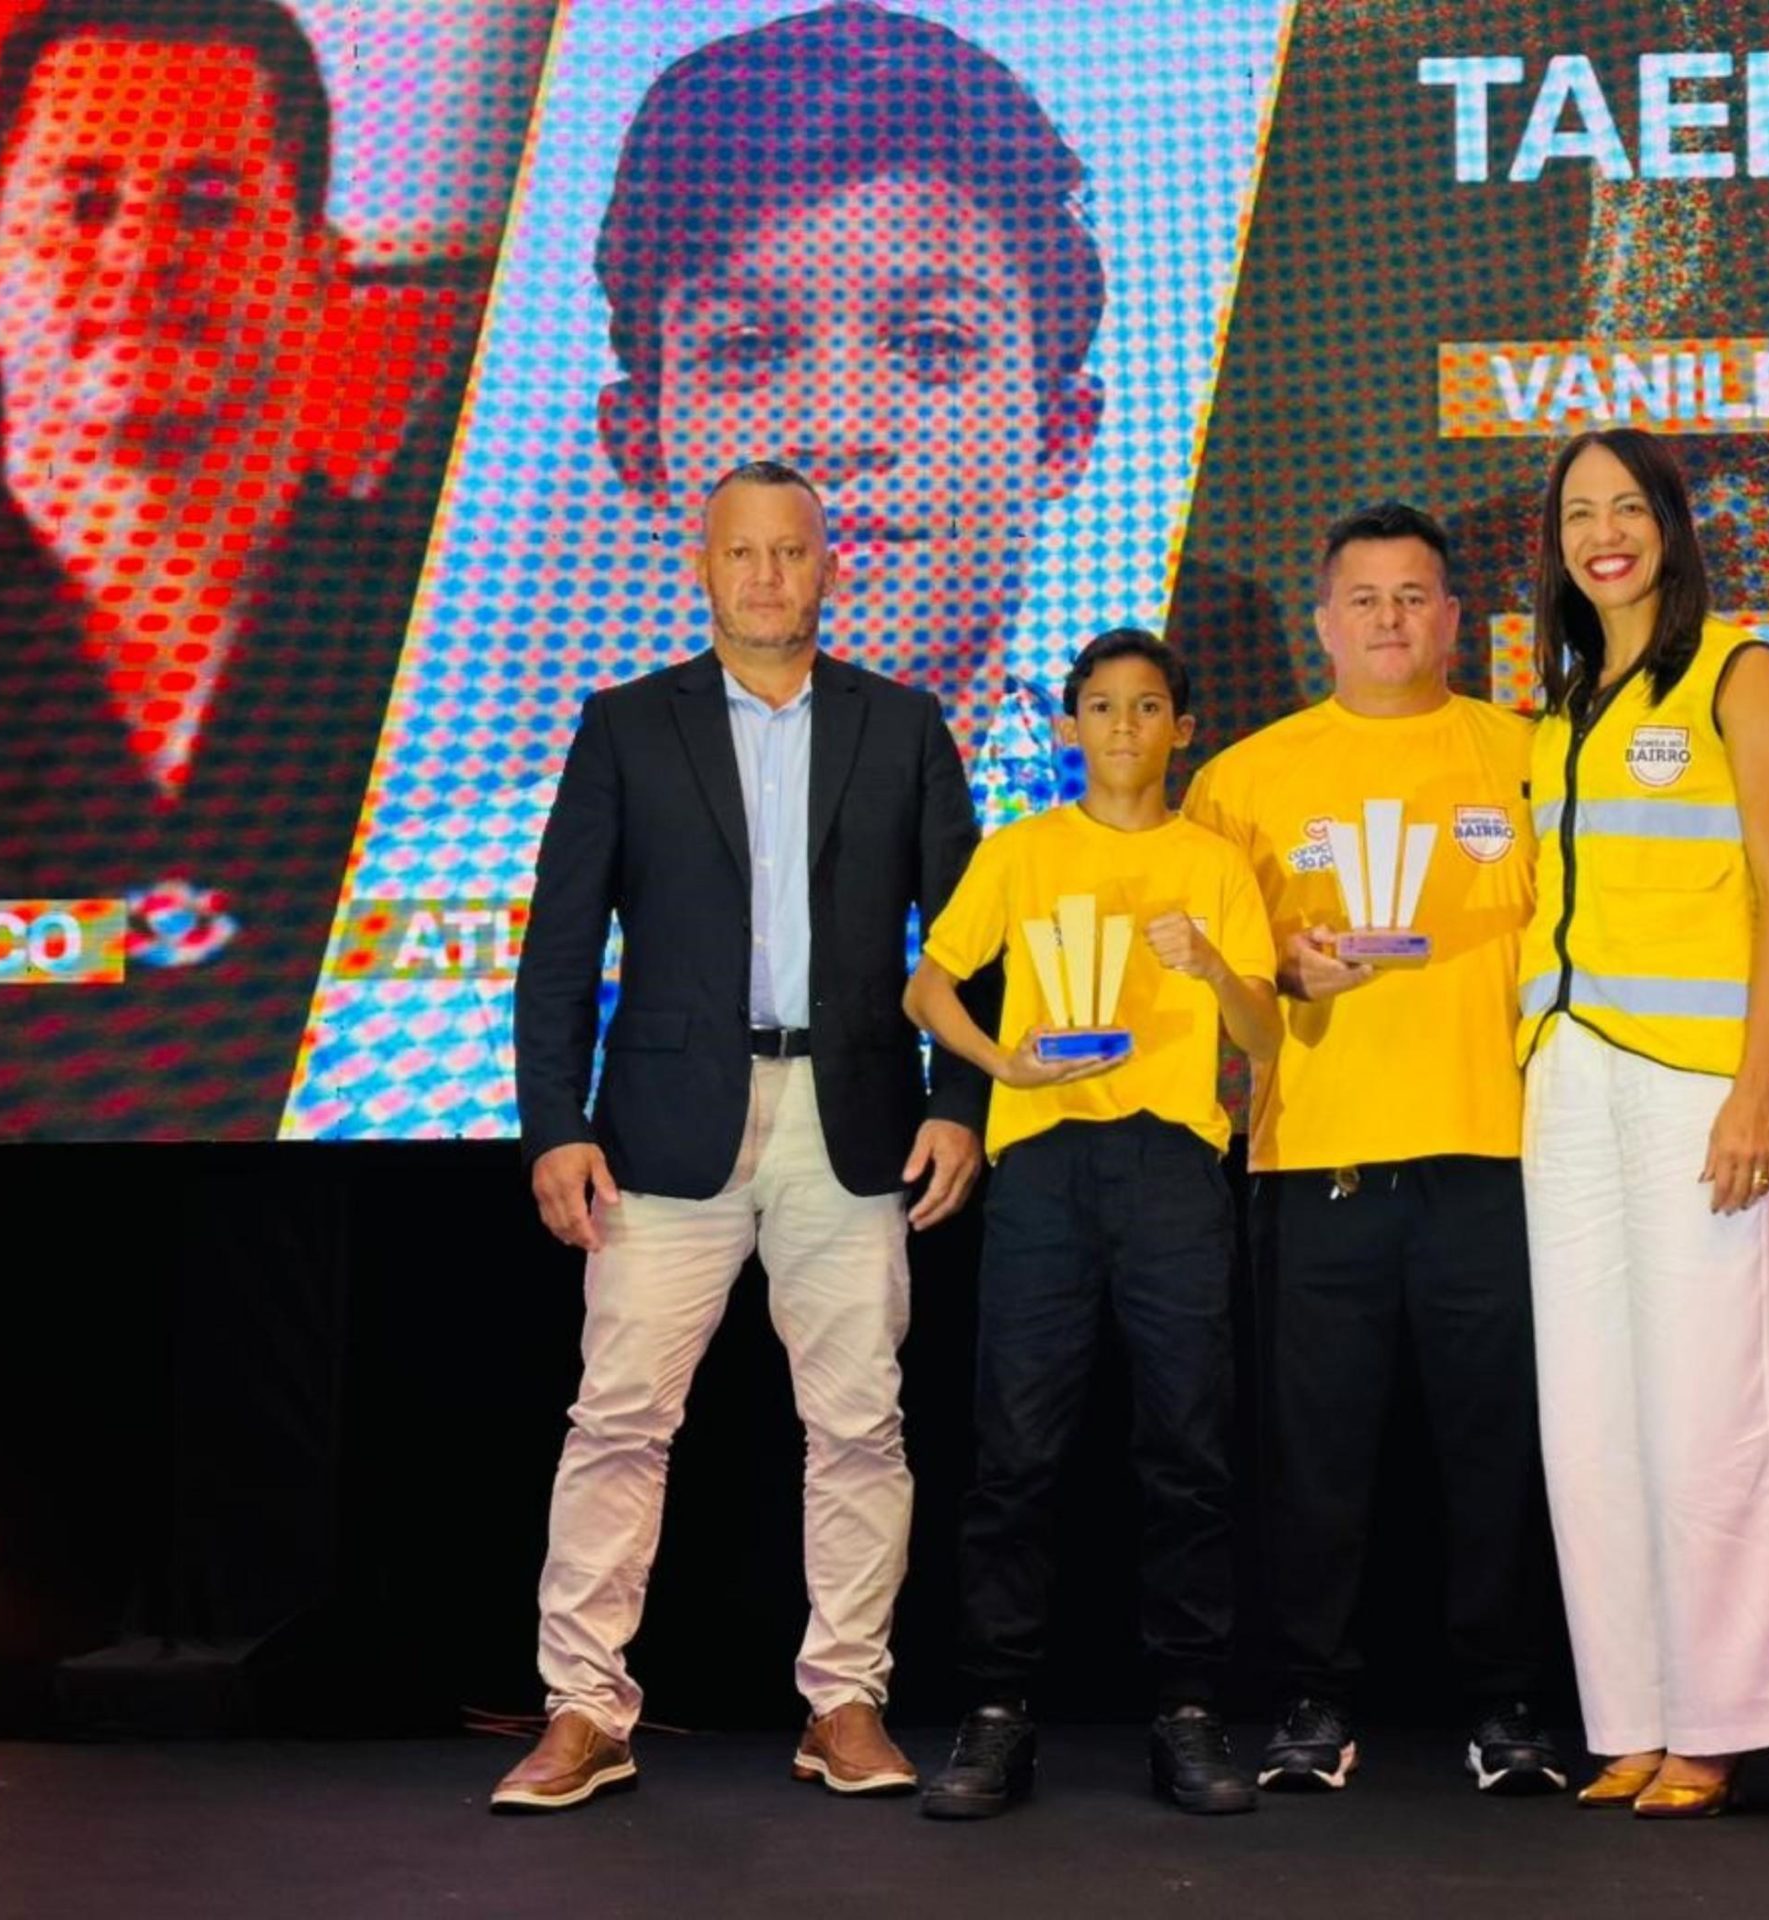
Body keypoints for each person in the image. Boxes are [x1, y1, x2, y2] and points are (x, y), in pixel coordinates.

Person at [490, 459, 990, 1813]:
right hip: (663, 1130)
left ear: (830, 566)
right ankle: (583, 1709)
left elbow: (967, 943)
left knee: (860, 1426)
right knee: (618, 1421)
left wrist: (960, 1102)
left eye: (791, 552)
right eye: (742, 553)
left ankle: (846, 1701)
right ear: (701, 566)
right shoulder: (624, 725)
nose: (768, 576)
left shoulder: (904, 723)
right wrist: (554, 1126)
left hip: (855, 1121)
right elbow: (558, 948)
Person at [0, 0, 469, 1136]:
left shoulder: (452, 640)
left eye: (210, 203)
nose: (141, 255)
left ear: (317, 270)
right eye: (84, 202)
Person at [1183, 502, 1566, 1795]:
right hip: (1318, 1160)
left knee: (1496, 1449)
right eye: (1365, 598)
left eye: (1414, 596)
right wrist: (1281, 968)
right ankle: (1311, 1701)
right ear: (1323, 623)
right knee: (1317, 1456)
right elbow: (1208, 984)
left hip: (1493, 1149)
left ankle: (1508, 1703)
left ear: (1454, 619)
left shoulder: (1531, 755)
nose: (1390, 618)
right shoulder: (1243, 781)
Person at [903, 627, 1280, 1818]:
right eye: (1102, 707)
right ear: (1069, 728)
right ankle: (995, 1711)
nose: (1124, 727)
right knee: (1015, 1450)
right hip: (1045, 1167)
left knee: (1188, 1448)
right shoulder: (1022, 851)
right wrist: (1001, 1064)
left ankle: (1190, 1711)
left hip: (1173, 1169)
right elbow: (926, 984)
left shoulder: (1213, 861)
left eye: (1147, 706)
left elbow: (1267, 1036)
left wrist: (1212, 966)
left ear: (1183, 729)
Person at [1517, 428, 1769, 1816]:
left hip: (1701, 1081)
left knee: (1714, 1403)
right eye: (1577, 515)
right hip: (1569, 1074)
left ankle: (1725, 1720)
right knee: (1592, 1418)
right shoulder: (1563, 704)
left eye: (1626, 509)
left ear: (1669, 524)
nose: (1603, 535)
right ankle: (1638, 1716)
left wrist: (1755, 1086)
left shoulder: (1740, 672)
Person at [590, 0, 1103, 827]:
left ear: (1057, 434)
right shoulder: (490, 875)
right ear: (643, 450)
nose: (837, 430)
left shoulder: (1193, 834)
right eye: (748, 349)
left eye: (931, 344)